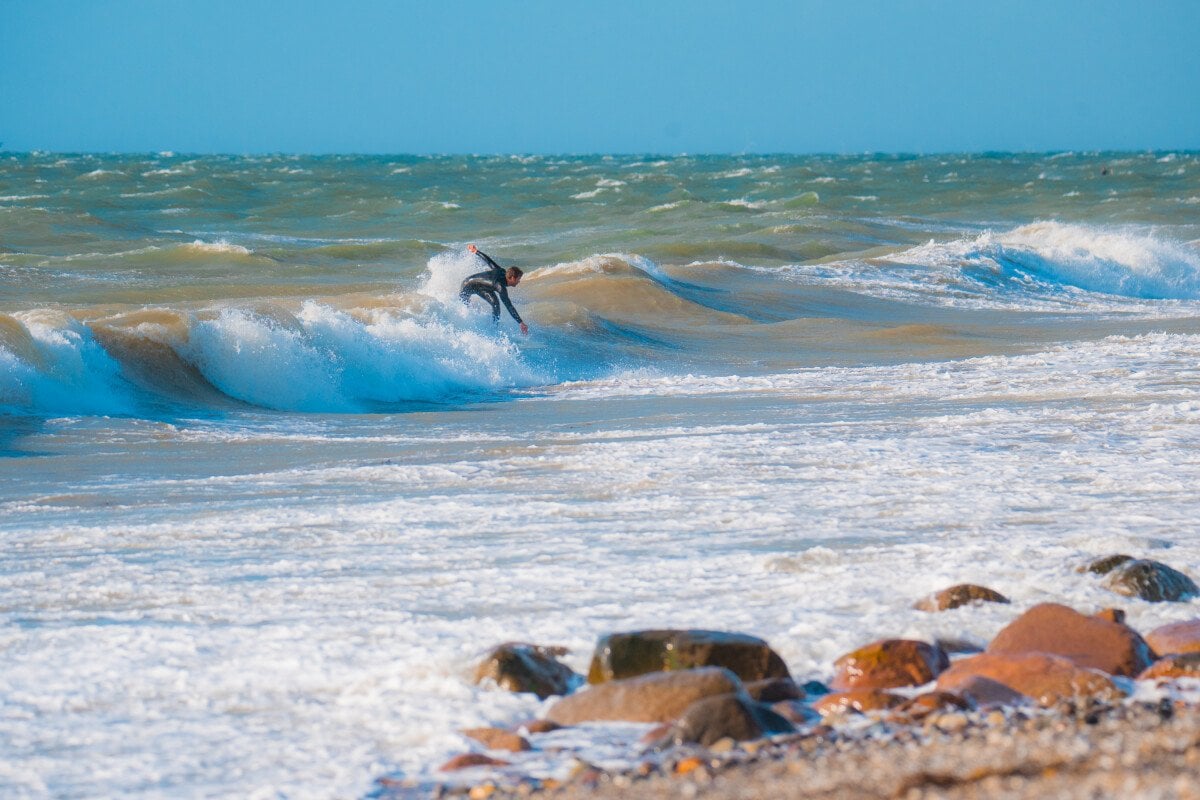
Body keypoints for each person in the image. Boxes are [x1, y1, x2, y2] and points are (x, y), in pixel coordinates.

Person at [459, 244, 529, 335]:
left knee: (495, 303)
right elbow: (509, 305)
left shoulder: (502, 271)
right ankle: (493, 328)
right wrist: (520, 322)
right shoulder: (500, 286)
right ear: (512, 278)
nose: (519, 281)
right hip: (466, 286)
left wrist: (476, 251)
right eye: (518, 279)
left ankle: (494, 327)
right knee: (465, 307)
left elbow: (489, 262)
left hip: (480, 287)